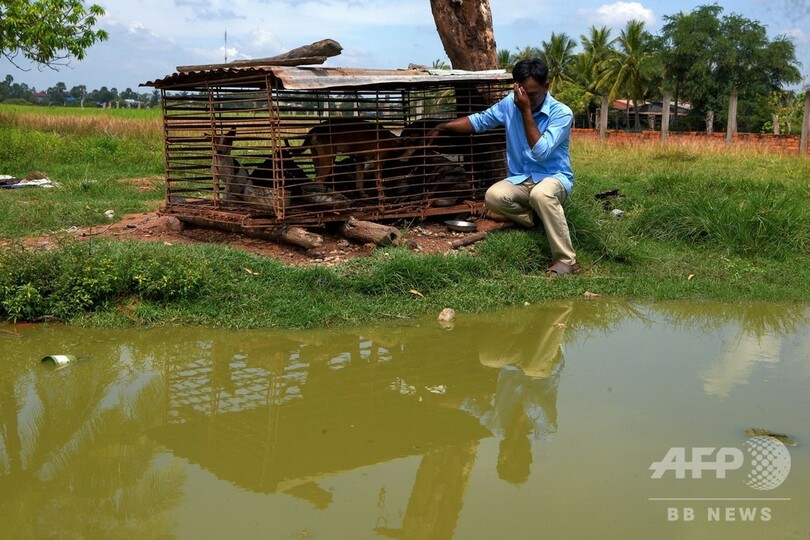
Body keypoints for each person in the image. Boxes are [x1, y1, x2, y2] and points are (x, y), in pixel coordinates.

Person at [431, 57, 579, 276]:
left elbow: (541, 151)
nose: (528, 99)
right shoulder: (509, 103)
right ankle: (532, 219)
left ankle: (567, 260)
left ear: (546, 87)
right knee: (493, 196)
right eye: (524, 93)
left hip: (554, 177)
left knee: (541, 195)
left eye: (534, 94)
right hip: (521, 178)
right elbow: (480, 121)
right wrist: (442, 126)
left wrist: (526, 111)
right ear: (516, 86)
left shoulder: (561, 113)